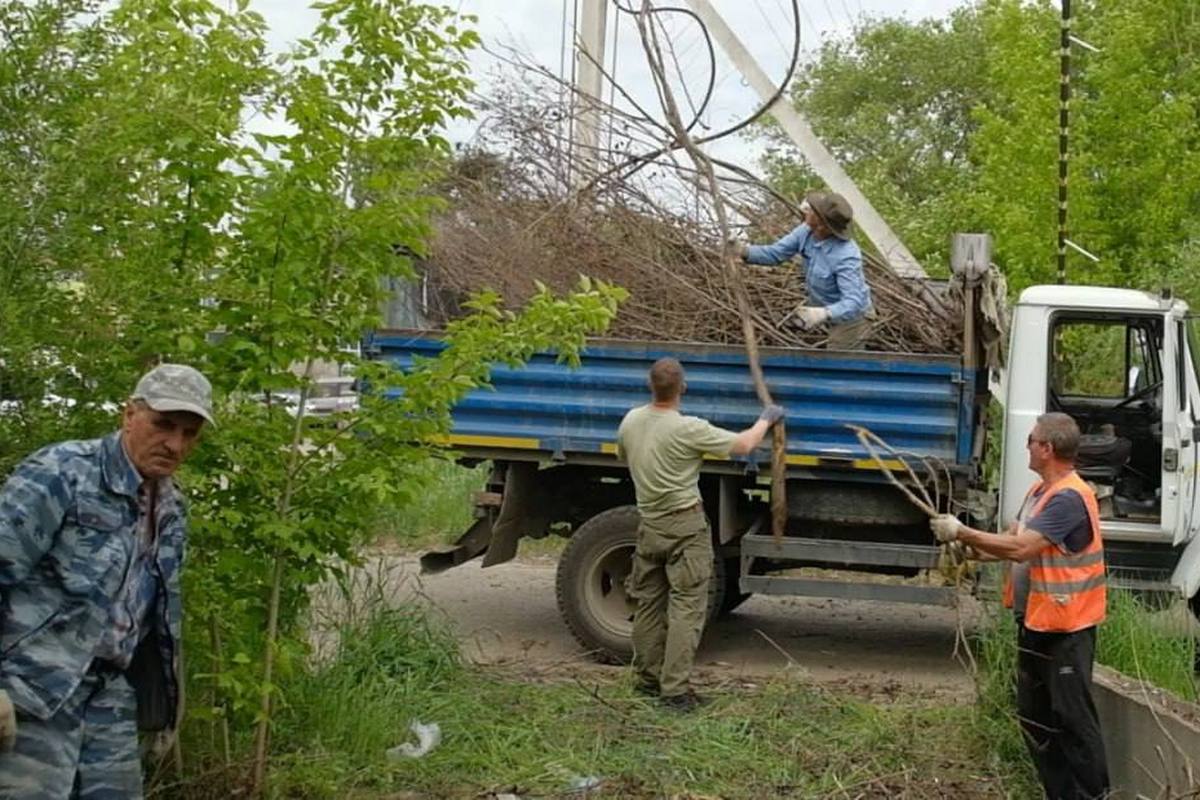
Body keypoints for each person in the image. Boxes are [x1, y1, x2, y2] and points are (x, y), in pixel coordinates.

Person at [0, 364, 214, 800]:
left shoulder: (173, 509)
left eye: (189, 434)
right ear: (128, 415)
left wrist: (166, 711)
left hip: (110, 695)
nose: (174, 444)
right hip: (30, 692)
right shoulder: (62, 473)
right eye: (163, 425)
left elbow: (155, 619)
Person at [930, 412, 1110, 800]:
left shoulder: (1069, 498)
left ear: (1047, 448)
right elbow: (1010, 545)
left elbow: (1022, 548)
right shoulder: (1038, 493)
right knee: (1036, 720)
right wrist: (970, 550)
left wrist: (961, 529)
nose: (1027, 445)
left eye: (1031, 439)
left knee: (1074, 722)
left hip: (1067, 630)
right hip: (1036, 624)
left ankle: (1092, 796)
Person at [617, 357, 784, 711]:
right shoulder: (687, 428)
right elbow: (743, 446)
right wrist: (766, 418)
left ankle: (647, 678)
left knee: (649, 603)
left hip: (649, 523)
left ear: (651, 386)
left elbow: (623, 455)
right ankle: (674, 692)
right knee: (687, 607)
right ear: (683, 388)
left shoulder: (631, 421)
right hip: (684, 526)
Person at [738, 190, 874, 350]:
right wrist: (743, 251)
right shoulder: (806, 231)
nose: (807, 211)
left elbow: (853, 302)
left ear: (822, 225)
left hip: (852, 318)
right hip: (822, 305)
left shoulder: (846, 256)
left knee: (837, 362)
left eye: (812, 211)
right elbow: (775, 254)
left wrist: (823, 313)